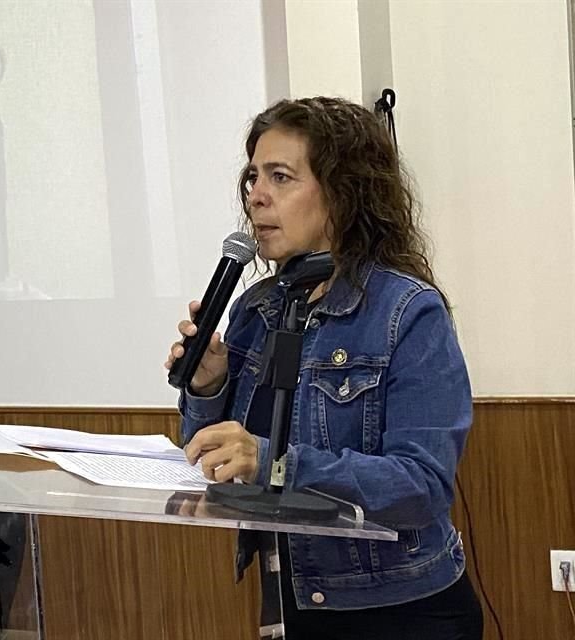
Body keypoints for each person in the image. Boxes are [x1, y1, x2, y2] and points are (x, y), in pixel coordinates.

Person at [165, 97, 483, 639]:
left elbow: (421, 485)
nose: (256, 197)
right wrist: (209, 385)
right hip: (290, 599)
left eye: (281, 177)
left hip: (399, 611)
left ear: (341, 193)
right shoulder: (255, 308)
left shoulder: (408, 312)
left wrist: (274, 462)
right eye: (253, 178)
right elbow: (214, 458)